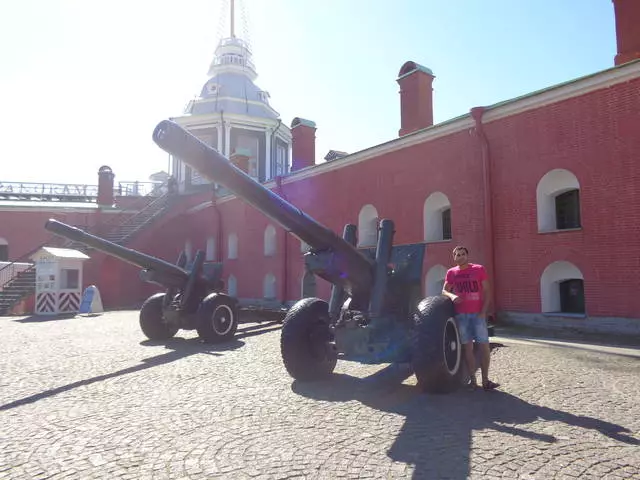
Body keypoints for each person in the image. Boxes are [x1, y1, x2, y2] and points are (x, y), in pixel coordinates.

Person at [442, 246, 500, 391]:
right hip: (461, 316)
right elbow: (444, 290)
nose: (460, 257)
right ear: (454, 257)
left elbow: (487, 291)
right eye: (457, 255)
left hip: (477, 315)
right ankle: (473, 381)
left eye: (462, 254)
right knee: (467, 348)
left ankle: (486, 380)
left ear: (467, 256)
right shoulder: (451, 272)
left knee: (484, 347)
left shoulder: (479, 269)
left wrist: (484, 311)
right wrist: (452, 295)